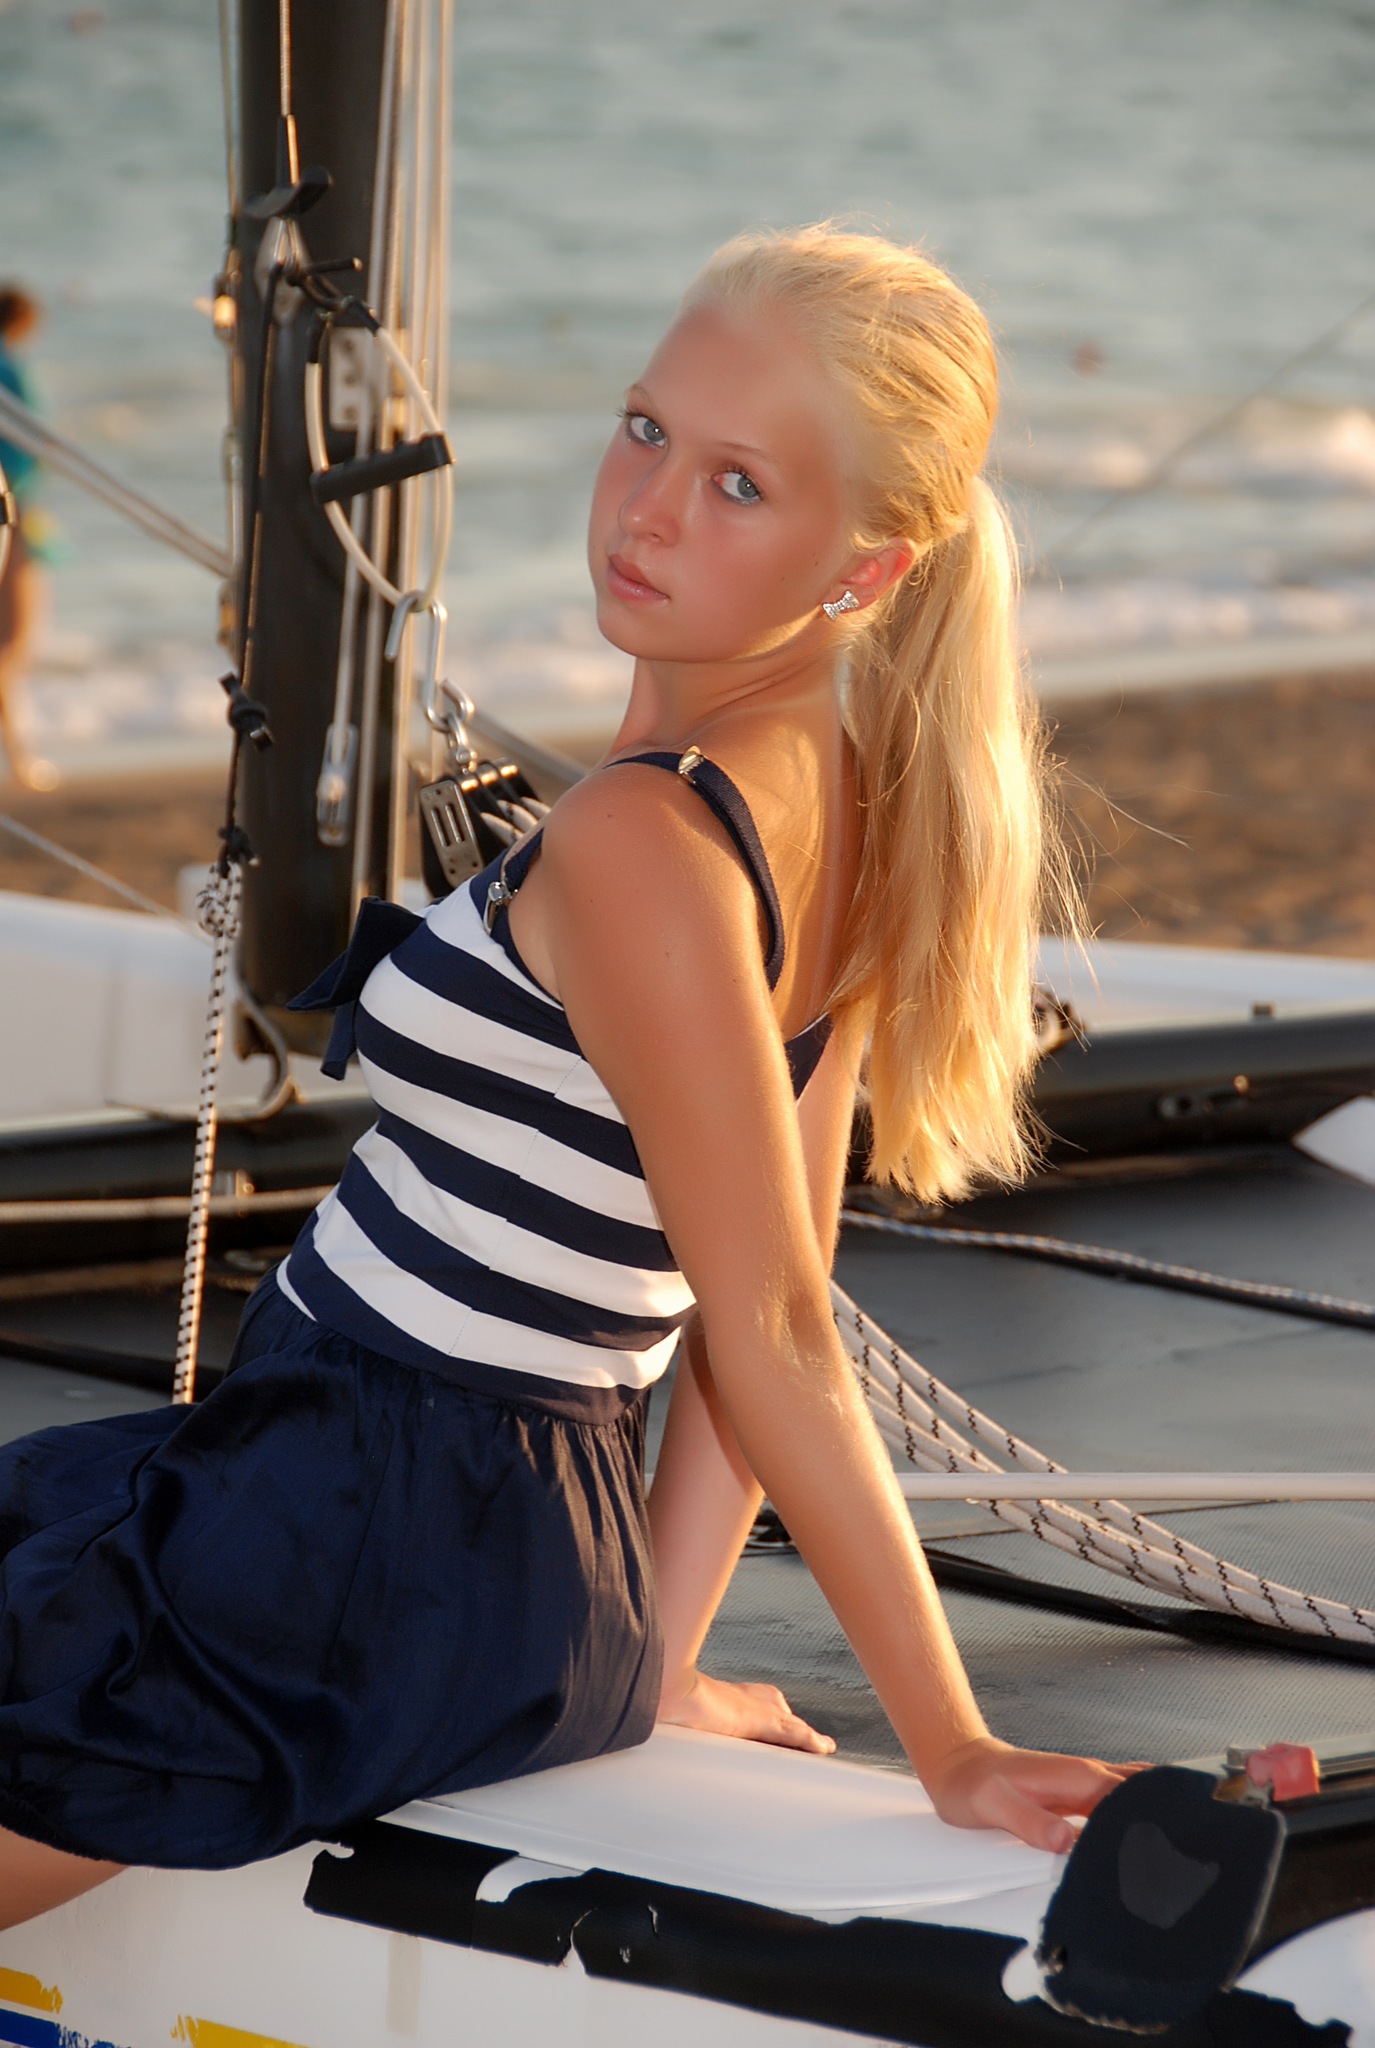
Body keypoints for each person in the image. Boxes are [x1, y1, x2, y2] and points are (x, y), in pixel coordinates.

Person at [0, 226, 1132, 1928]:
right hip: (451, 1527)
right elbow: (763, 1312)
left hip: (365, 1528)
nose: (647, 508)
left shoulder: (645, 840)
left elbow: (774, 1326)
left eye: (739, 483)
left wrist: (951, 1743)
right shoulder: (838, 799)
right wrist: (645, 1658)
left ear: (867, 566)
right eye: (645, 428)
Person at [0, 285, 56, 792]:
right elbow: (29, 448)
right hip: (11, 516)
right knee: (13, 643)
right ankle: (19, 754)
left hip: (13, 512)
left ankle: (19, 752)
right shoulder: (9, 366)